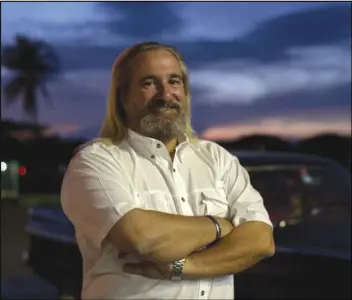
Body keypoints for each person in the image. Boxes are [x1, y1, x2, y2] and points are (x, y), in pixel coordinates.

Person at [61, 41, 275, 299]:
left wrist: (181, 268)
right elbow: (143, 239)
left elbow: (261, 241)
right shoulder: (96, 162)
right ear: (123, 96)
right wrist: (220, 226)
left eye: (174, 81)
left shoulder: (217, 159)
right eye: (148, 83)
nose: (165, 95)